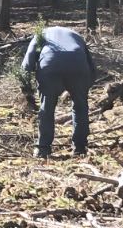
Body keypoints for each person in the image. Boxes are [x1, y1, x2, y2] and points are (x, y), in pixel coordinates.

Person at [22, 27, 97, 158]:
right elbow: (91, 65)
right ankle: (80, 147)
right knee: (80, 107)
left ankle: (43, 148)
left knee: (47, 108)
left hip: (50, 66)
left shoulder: (41, 34)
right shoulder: (76, 35)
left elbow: (27, 62)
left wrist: (26, 86)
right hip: (78, 65)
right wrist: (85, 87)